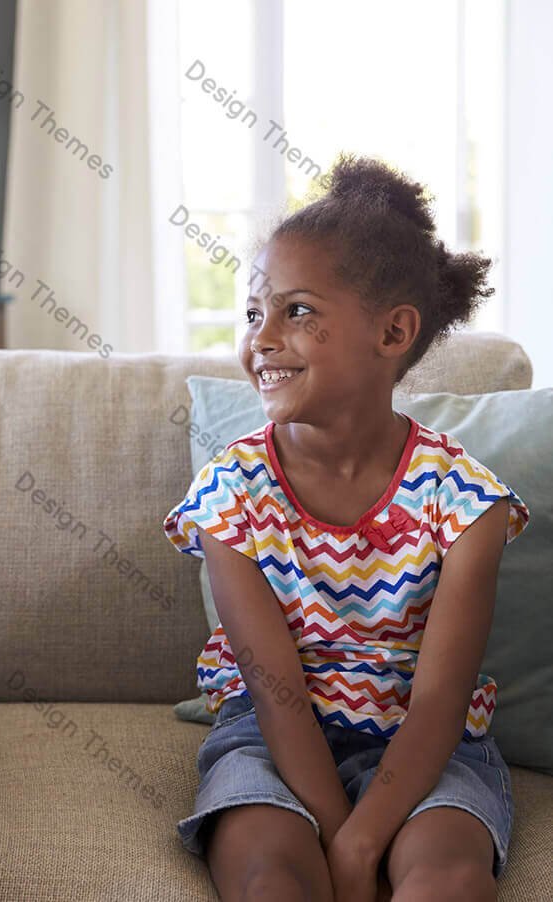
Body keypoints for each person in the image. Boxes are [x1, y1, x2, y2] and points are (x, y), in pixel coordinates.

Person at [162, 156, 529, 902]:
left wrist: (363, 844)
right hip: (270, 739)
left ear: (392, 331)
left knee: (448, 880)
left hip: (428, 748)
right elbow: (275, 692)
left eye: (297, 311)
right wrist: (335, 832)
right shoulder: (232, 494)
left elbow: (439, 704)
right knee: (270, 878)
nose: (262, 338)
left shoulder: (466, 503)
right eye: (254, 314)